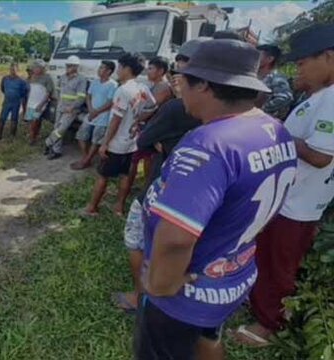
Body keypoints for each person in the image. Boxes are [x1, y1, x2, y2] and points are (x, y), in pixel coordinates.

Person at [135, 39, 297, 360]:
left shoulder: (209, 144)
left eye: (184, 81)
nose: (179, 89)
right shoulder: (275, 129)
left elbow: (177, 238)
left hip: (184, 295)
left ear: (205, 87)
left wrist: (161, 285)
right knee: (207, 341)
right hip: (232, 278)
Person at [235, 23, 334, 348]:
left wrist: (279, 135)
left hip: (298, 205)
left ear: (329, 57)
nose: (299, 68)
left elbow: (321, 156)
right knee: (267, 256)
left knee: (280, 263)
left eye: (304, 62)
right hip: (287, 198)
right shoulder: (319, 96)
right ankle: (260, 306)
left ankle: (269, 324)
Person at [112, 39, 205, 314]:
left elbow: (145, 140)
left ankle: (141, 297)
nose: (176, 77)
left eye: (181, 71)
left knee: (137, 237)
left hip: (162, 182)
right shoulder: (228, 110)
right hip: (194, 191)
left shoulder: (177, 107)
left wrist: (160, 142)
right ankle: (169, 291)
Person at [81, 53, 154, 217]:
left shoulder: (123, 90)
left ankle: (91, 208)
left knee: (102, 175)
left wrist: (105, 143)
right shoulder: (142, 88)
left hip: (117, 143)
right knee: (126, 175)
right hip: (132, 141)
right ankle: (119, 208)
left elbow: (115, 120)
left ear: (127, 69)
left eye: (119, 67)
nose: (118, 70)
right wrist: (137, 120)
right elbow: (152, 105)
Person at [128, 57, 174, 190]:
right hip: (148, 125)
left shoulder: (164, 87)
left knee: (140, 158)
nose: (147, 71)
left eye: (151, 68)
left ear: (161, 71)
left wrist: (134, 121)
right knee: (145, 158)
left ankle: (143, 188)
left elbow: (150, 109)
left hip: (154, 127)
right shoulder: (153, 85)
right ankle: (144, 186)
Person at [71, 61, 117, 170]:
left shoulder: (112, 85)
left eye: (102, 68)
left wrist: (96, 112)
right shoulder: (95, 82)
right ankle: (86, 157)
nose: (99, 70)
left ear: (108, 71)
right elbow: (89, 96)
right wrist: (91, 110)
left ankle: (86, 161)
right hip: (91, 114)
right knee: (81, 135)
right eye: (99, 67)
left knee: (96, 140)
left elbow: (110, 102)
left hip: (103, 117)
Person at [44, 55, 87, 160]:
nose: (68, 67)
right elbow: (58, 91)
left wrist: (72, 107)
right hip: (61, 107)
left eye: (71, 65)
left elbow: (81, 97)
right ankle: (56, 150)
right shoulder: (62, 77)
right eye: (67, 65)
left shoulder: (81, 79)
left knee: (61, 129)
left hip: (71, 110)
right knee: (56, 128)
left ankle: (48, 142)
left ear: (76, 67)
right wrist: (59, 103)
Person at [255, 44, 294, 120]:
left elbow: (285, 97)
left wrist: (262, 110)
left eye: (257, 55)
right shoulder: (253, 75)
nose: (253, 57)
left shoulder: (276, 77)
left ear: (270, 59)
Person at [24, 59, 54, 145]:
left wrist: (41, 104)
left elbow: (48, 93)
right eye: (34, 67)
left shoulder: (47, 78)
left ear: (42, 68)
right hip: (31, 103)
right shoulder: (32, 77)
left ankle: (32, 138)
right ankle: (34, 135)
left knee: (35, 120)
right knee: (31, 121)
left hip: (40, 103)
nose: (34, 69)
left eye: (37, 67)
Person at [0, 63, 28, 140]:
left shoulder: (21, 81)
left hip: (16, 102)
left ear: (17, 70)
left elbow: (24, 92)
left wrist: (18, 97)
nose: (12, 71)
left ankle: (12, 136)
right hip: (7, 101)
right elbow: (2, 88)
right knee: (2, 118)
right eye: (11, 69)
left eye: (14, 70)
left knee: (14, 119)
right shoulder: (5, 79)